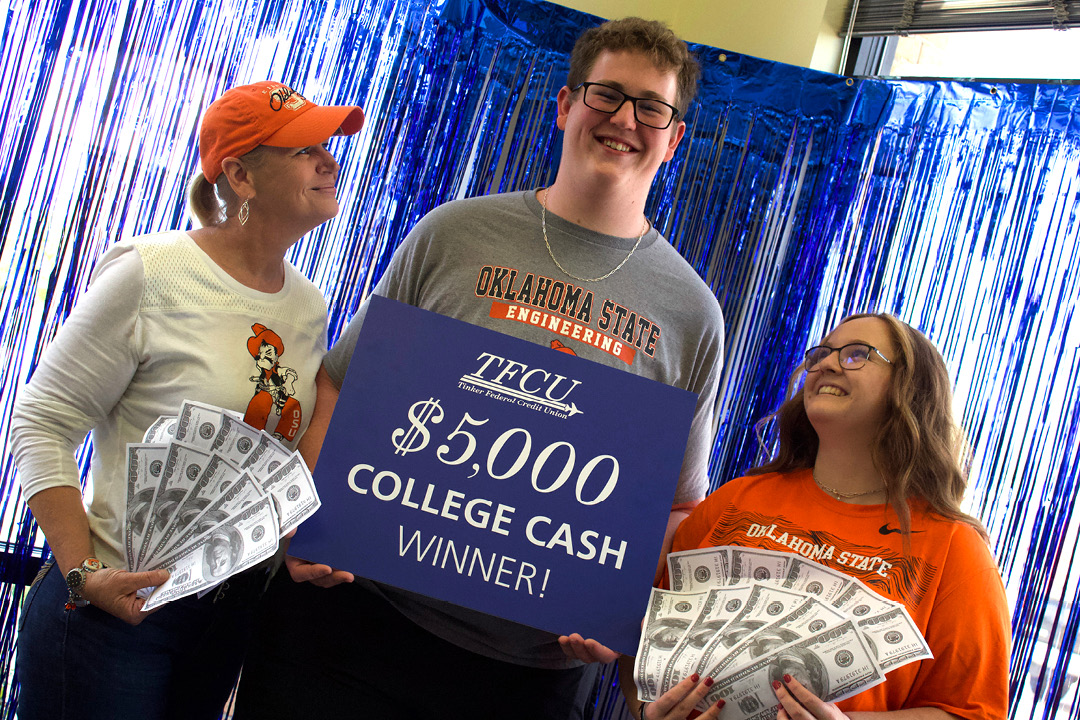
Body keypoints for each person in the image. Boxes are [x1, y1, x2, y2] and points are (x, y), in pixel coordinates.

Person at [233, 17, 725, 720]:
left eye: (652, 107)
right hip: (352, 625)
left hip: (529, 678)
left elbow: (676, 503)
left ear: (674, 138)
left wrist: (619, 606)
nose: (625, 119)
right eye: (607, 95)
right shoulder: (455, 233)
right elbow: (339, 384)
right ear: (565, 106)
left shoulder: (691, 313)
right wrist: (307, 523)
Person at [11, 80, 364, 720]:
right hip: (113, 620)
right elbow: (39, 422)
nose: (328, 162)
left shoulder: (308, 307)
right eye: (302, 150)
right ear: (240, 175)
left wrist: (294, 546)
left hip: (225, 617)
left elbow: (270, 461)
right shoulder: (152, 271)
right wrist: (81, 572)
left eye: (327, 148)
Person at [620, 313, 1010, 720]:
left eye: (857, 354)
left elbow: (970, 712)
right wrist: (649, 710)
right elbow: (642, 642)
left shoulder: (955, 551)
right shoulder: (734, 501)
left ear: (912, 389)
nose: (825, 363)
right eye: (820, 353)